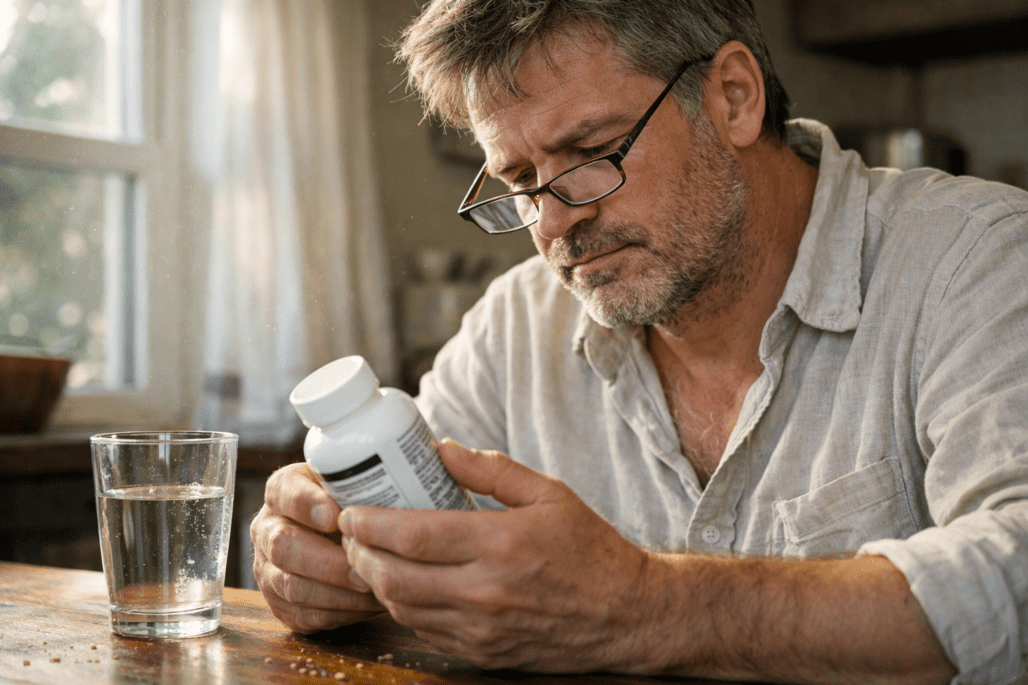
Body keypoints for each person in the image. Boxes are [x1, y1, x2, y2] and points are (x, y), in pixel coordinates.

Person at [249, 1, 1028, 683]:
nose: (553, 224)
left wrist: (646, 605)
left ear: (733, 98)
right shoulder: (517, 325)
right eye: (519, 179)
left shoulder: (977, 259)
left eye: (592, 152)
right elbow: (416, 523)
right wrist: (316, 562)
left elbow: (1015, 573)